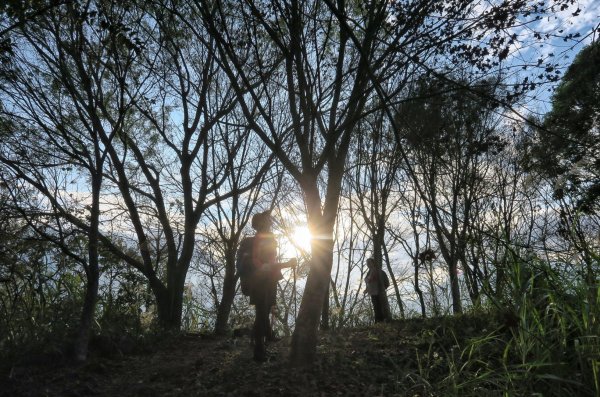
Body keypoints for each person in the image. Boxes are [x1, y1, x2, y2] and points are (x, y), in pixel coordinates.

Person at [247, 210, 296, 362]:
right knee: (262, 313)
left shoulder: (266, 238)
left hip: (267, 281)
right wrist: (286, 264)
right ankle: (259, 351)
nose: (270, 222)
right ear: (261, 223)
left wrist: (283, 265)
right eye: (267, 220)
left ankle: (260, 342)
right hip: (261, 282)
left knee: (263, 312)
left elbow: (270, 264)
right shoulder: (260, 239)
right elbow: (262, 264)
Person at [364, 257, 390, 323]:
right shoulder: (368, 273)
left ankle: (381, 321)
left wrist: (383, 289)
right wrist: (366, 290)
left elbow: (386, 282)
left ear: (373, 263)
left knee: (380, 306)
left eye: (369, 263)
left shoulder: (379, 271)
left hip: (379, 292)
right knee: (375, 307)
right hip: (372, 293)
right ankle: (378, 321)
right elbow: (368, 283)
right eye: (367, 263)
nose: (368, 264)